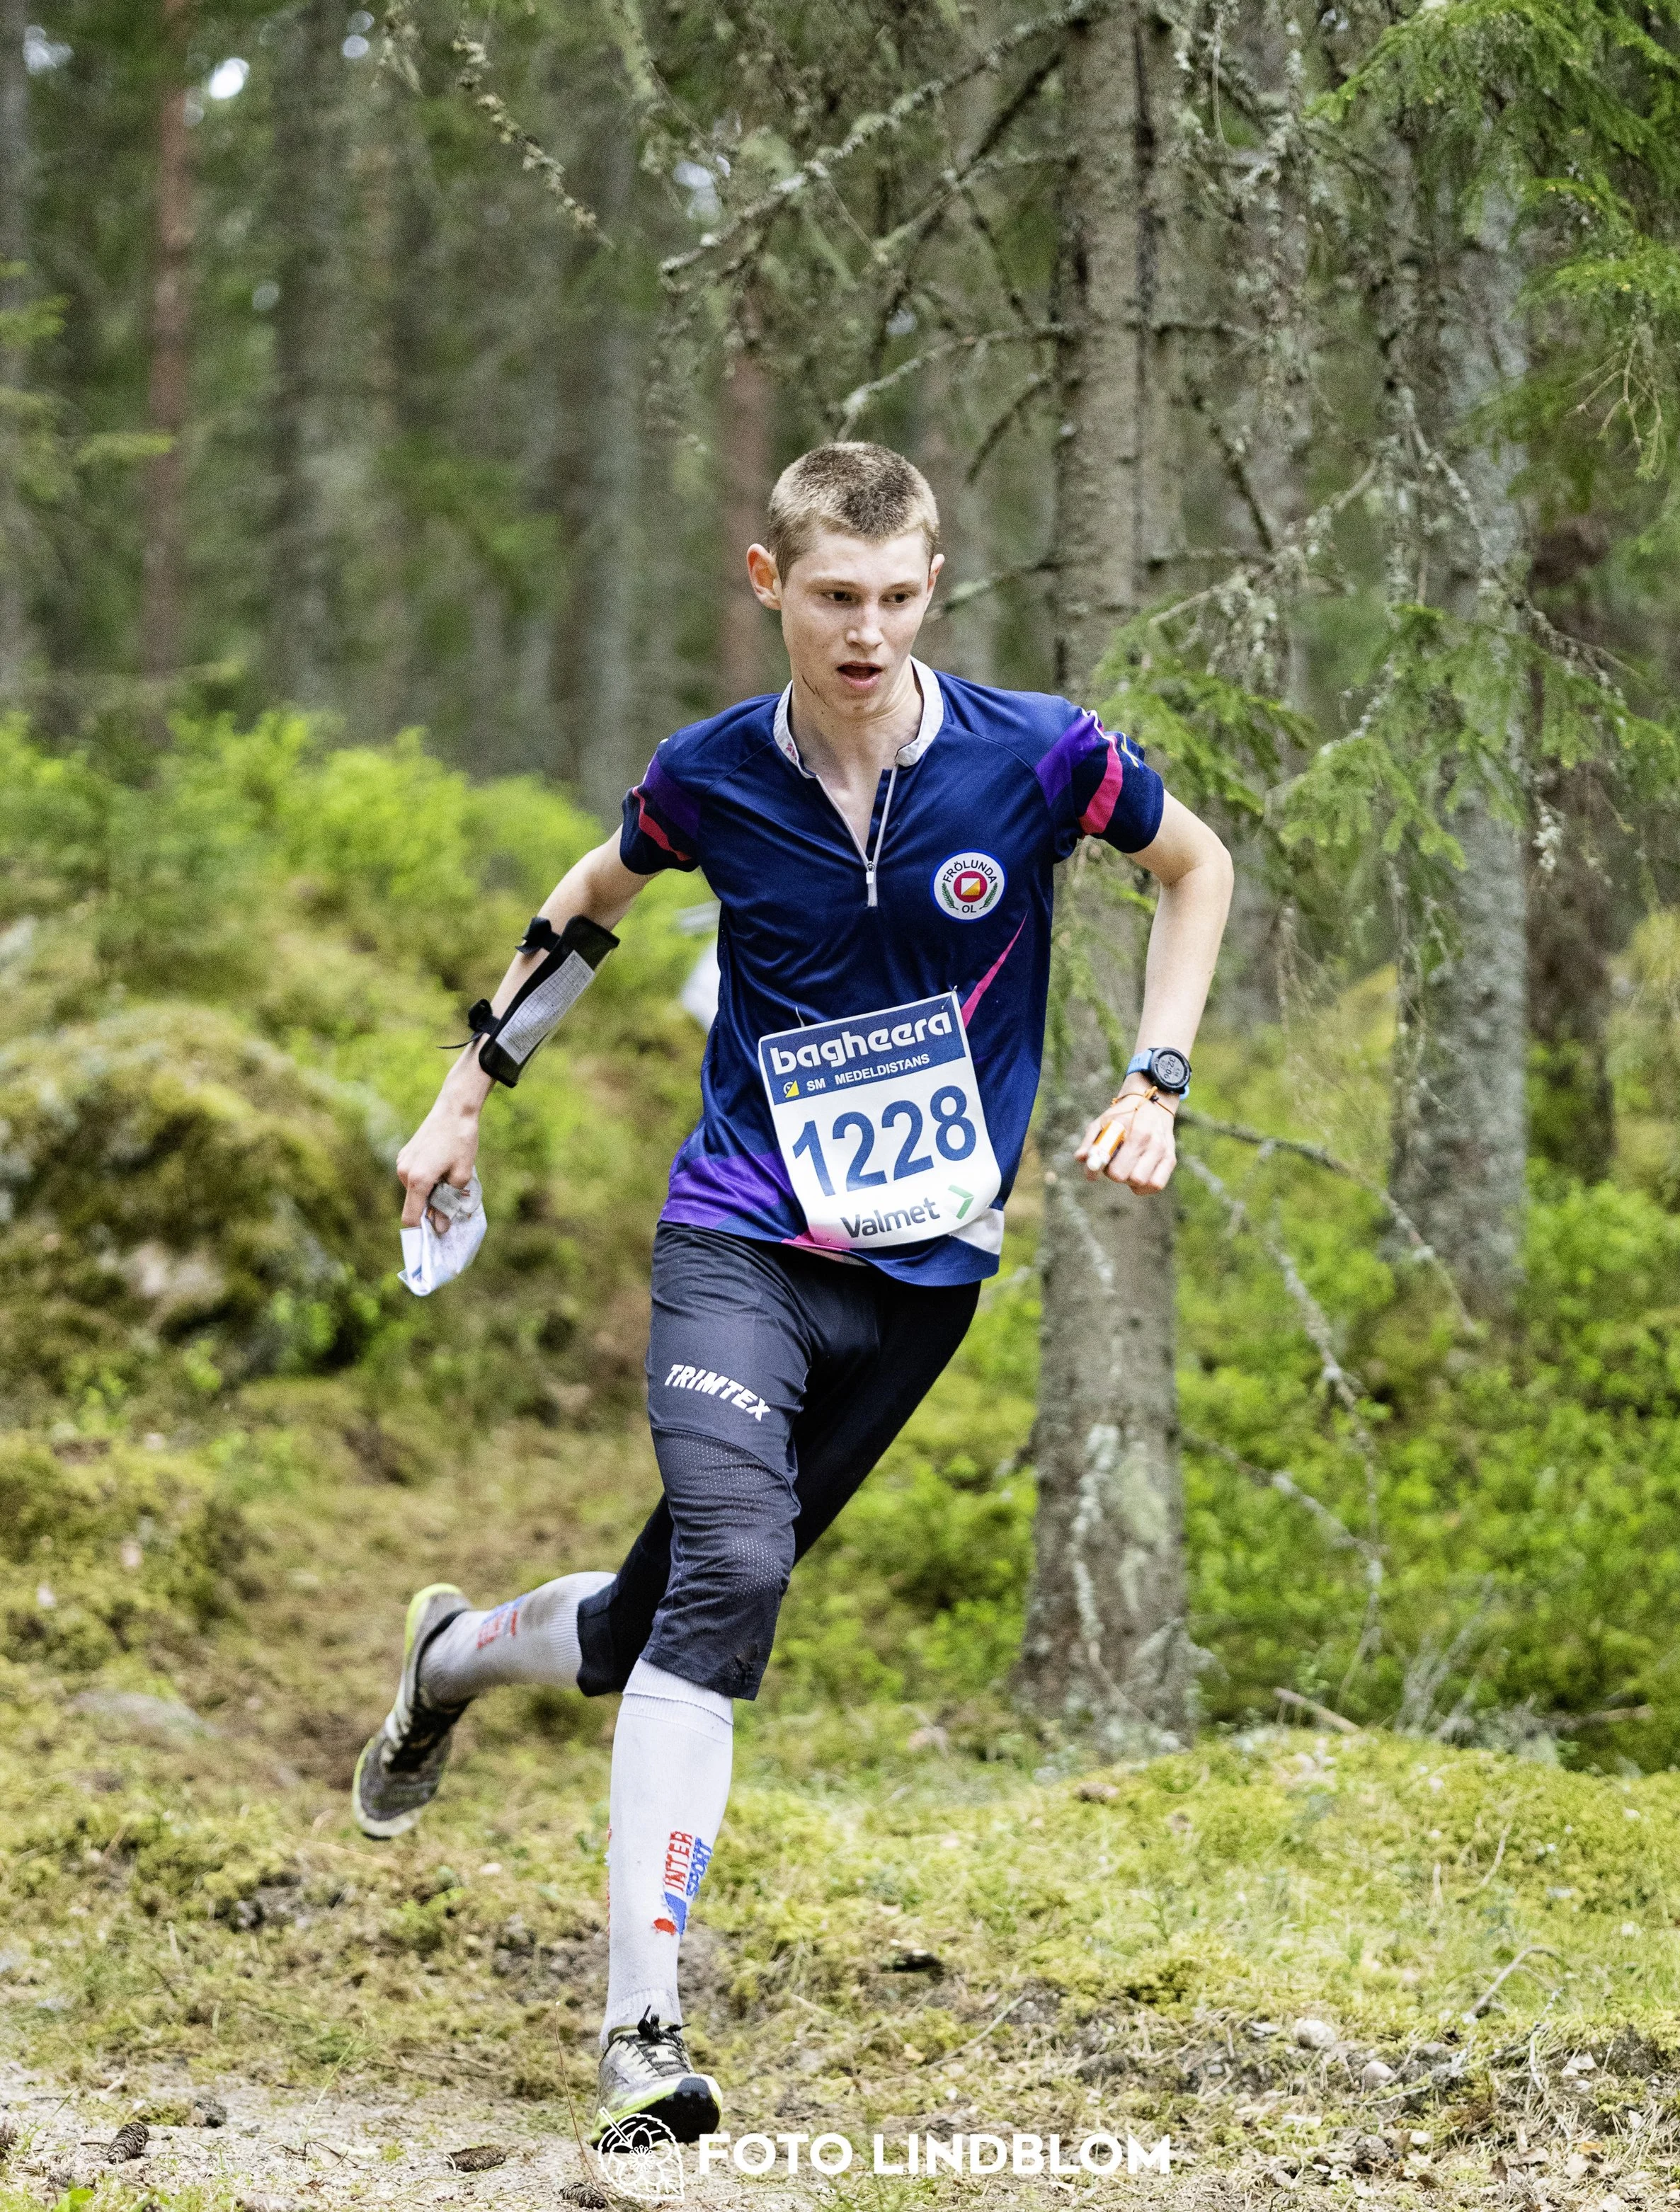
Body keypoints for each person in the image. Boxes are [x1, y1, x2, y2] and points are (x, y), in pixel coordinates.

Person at [350, 441, 1234, 2145]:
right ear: (770, 584)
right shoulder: (708, 777)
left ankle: (451, 1655)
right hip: (741, 1239)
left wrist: (1158, 1076)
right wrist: (465, 1090)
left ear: (932, 584)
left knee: (640, 1626)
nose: (868, 632)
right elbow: (586, 904)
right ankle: (640, 2038)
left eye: (900, 597)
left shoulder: (1033, 754)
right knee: (735, 1573)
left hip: (920, 1279)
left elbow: (1194, 868)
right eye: (835, 596)